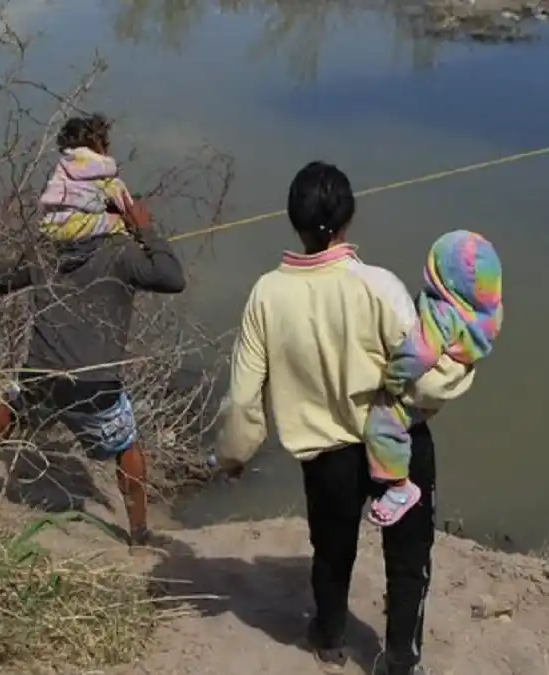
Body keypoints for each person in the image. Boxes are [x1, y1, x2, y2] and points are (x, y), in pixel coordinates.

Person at [217, 161, 469, 675]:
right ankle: (401, 659)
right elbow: (423, 373)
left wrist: (234, 454)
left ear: (294, 221)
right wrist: (460, 372)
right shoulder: (378, 286)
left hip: (326, 456)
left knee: (332, 551)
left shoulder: (267, 293)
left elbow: (243, 396)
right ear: (349, 218)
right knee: (408, 558)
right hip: (399, 444)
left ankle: (329, 636)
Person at [0, 132, 185, 548]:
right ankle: (139, 533)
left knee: (9, 408)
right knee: (127, 445)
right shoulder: (123, 254)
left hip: (41, 375)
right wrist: (147, 231)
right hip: (94, 386)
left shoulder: (42, 252)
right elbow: (172, 278)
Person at [364, 230, 502, 527]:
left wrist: (393, 379)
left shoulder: (443, 313)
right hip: (450, 386)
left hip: (424, 382)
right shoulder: (489, 312)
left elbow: (420, 354)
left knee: (384, 422)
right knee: (414, 416)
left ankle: (400, 487)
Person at [38, 113, 137, 241]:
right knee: (120, 223)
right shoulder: (106, 175)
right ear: (101, 144)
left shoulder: (61, 172)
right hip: (83, 228)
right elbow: (128, 208)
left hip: (53, 227)